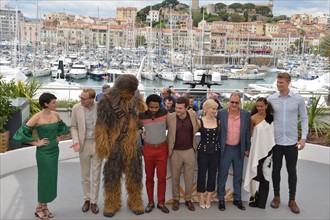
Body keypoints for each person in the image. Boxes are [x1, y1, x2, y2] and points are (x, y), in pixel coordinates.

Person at [94, 74, 147, 217]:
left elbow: (142, 109)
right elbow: (101, 127)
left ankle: (135, 201)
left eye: (133, 92)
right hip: (114, 145)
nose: (131, 95)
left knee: (135, 175)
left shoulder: (134, 94)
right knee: (112, 177)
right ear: (120, 89)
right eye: (129, 92)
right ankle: (111, 203)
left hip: (133, 145)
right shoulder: (105, 101)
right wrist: (104, 148)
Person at [13, 92, 70, 220]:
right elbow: (20, 134)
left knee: (51, 178)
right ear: (46, 104)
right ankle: (38, 208)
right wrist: (36, 143)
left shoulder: (56, 115)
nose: (56, 104)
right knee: (44, 179)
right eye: (54, 102)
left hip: (54, 150)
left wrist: (59, 137)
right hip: (43, 153)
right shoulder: (36, 117)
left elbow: (63, 128)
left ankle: (45, 207)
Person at [267, 72, 308, 214]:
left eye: (281, 83)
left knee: (292, 171)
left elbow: (304, 118)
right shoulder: (271, 99)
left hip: (291, 143)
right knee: (275, 170)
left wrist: (303, 138)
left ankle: (292, 199)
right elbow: (266, 118)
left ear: (288, 83)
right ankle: (276, 196)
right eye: (277, 82)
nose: (278, 85)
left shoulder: (298, 100)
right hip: (276, 142)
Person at [70, 88, 103, 214]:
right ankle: (87, 200)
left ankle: (94, 201)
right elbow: (73, 126)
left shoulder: (100, 107)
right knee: (85, 175)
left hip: (97, 144)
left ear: (91, 99)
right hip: (83, 145)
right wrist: (76, 142)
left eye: (84, 98)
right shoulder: (76, 108)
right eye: (80, 97)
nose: (81, 100)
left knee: (96, 175)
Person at [217, 92, 251, 211]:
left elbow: (247, 132)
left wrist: (247, 148)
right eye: (232, 102)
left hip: (238, 149)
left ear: (240, 103)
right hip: (225, 149)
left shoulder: (246, 114)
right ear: (228, 102)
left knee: (238, 175)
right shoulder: (221, 113)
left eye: (237, 102)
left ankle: (237, 198)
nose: (234, 104)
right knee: (222, 175)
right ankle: (221, 199)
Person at [167, 97, 199, 212]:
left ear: (186, 108)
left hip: (190, 151)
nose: (177, 110)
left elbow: (197, 125)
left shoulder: (193, 115)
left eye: (180, 108)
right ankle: (176, 199)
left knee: (189, 178)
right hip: (175, 152)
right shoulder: (170, 117)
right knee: (175, 177)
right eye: (176, 107)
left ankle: (188, 200)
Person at [139, 94, 169, 214]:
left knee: (162, 178)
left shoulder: (165, 113)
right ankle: (150, 202)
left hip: (162, 149)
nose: (154, 110)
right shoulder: (141, 116)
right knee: (149, 177)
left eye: (156, 107)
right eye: (151, 107)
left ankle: (161, 202)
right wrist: (140, 132)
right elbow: (134, 128)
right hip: (148, 149)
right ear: (147, 106)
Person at [243, 97, 275, 209]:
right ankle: (254, 199)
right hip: (256, 150)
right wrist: (247, 148)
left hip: (269, 150)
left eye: (262, 106)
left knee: (266, 175)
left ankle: (262, 202)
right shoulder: (253, 119)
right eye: (258, 106)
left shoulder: (271, 118)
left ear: (266, 106)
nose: (260, 108)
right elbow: (249, 135)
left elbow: (272, 134)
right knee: (256, 175)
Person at [196, 99, 220, 209]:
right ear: (206, 109)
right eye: (213, 109)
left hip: (215, 151)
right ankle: (201, 196)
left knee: (212, 174)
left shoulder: (218, 121)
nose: (215, 111)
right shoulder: (200, 121)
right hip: (203, 151)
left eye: (216, 109)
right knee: (201, 173)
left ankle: (209, 196)